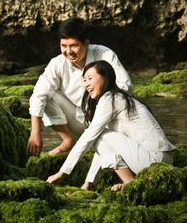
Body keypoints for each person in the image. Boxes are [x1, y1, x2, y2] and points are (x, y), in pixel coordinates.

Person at [46, 60, 175, 191]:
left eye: (90, 78)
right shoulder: (117, 98)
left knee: (95, 134)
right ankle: (128, 182)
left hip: (153, 160)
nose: (86, 84)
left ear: (105, 77)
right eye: (84, 80)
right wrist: (88, 183)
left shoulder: (111, 98)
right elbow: (103, 147)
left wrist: (62, 172)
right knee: (100, 135)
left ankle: (129, 183)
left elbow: (91, 137)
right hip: (162, 160)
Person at [27, 17, 132, 157]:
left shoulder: (104, 54)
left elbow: (125, 87)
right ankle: (68, 140)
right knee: (46, 95)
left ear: (86, 43)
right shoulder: (57, 63)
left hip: (108, 119)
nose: (68, 51)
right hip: (78, 119)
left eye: (73, 46)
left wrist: (103, 108)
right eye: (64, 46)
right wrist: (35, 133)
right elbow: (38, 96)